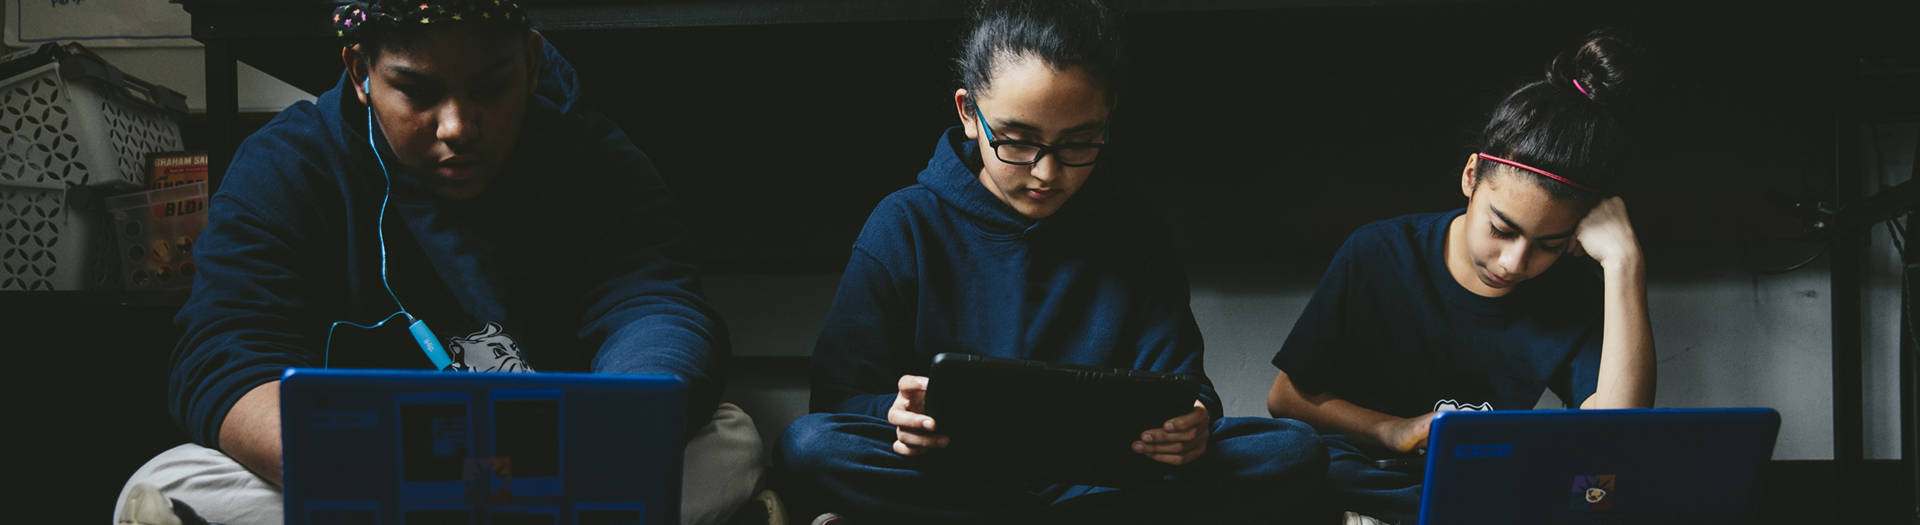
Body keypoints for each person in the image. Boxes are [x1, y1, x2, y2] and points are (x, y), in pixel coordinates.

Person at [114, 2, 772, 524]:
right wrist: (393, 477)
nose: (458, 125)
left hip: (559, 466)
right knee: (165, 483)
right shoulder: (287, 165)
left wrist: (595, 444)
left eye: (490, 87)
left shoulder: (593, 159)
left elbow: (656, 307)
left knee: (732, 438)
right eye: (418, 92)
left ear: (533, 62)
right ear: (360, 72)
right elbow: (225, 352)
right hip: (370, 477)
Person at [774, 1, 1327, 523]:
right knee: (808, 447)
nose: (1046, 172)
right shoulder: (904, 223)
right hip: (955, 475)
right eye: (1017, 141)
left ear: (1107, 118)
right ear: (970, 114)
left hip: (1097, 480)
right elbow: (839, 400)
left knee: (1293, 450)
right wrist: (896, 415)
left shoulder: (1134, 229)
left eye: (1079, 143)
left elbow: (1182, 385)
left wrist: (1194, 423)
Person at [1264, 29, 1657, 524]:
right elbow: (1288, 397)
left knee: (1598, 493)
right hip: (1363, 473)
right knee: (1288, 458)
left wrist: (1626, 265)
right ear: (1472, 176)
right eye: (1501, 229)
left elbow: (1614, 438)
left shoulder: (1573, 290)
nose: (1515, 263)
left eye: (1549, 245)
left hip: (1484, 490)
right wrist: (1394, 430)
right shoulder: (1378, 252)